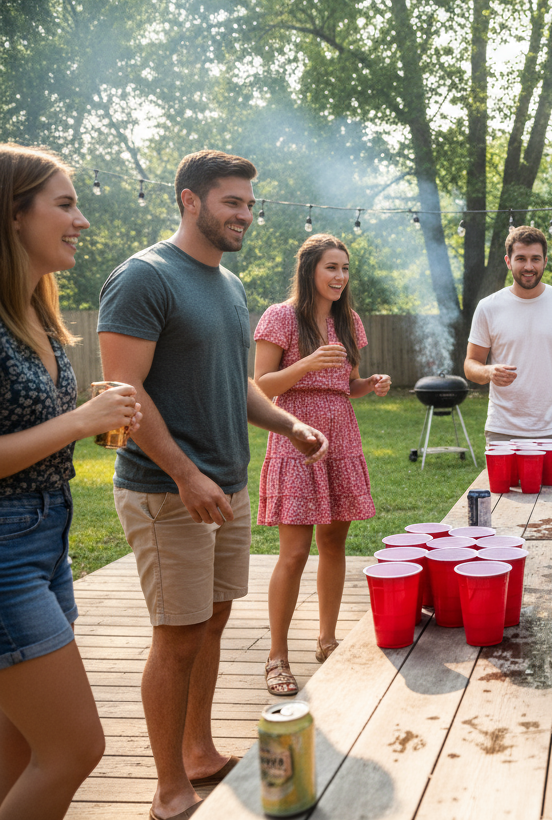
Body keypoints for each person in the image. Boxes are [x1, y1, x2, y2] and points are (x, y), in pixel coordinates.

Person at [98, 150, 329, 820]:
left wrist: (288, 425)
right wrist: (184, 472)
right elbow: (124, 390)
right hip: (168, 489)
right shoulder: (145, 278)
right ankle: (168, 788)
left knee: (214, 620)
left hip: (223, 486)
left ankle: (198, 751)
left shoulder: (227, 284)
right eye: (233, 202)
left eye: (250, 205)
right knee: (178, 634)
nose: (246, 216)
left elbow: (240, 385)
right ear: (189, 200)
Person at [0, 144, 141, 820]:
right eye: (64, 204)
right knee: (74, 748)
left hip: (46, 539)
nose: (81, 219)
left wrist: (95, 417)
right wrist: (82, 419)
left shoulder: (37, 310)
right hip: (4, 551)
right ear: (14, 213)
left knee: (21, 751)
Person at [254, 234, 390, 696]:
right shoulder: (281, 317)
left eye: (345, 269)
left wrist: (368, 384)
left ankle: (327, 640)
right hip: (296, 435)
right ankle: (277, 656)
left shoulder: (348, 321)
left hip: (342, 435)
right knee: (293, 551)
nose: (340, 277)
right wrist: (308, 362)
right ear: (310, 269)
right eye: (332, 267)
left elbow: (346, 385)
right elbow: (262, 385)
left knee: (334, 543)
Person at [464, 225, 552, 443]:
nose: (529, 266)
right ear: (508, 261)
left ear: (545, 261)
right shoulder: (488, 307)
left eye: (535, 259)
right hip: (502, 431)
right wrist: (489, 372)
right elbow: (471, 364)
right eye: (521, 258)